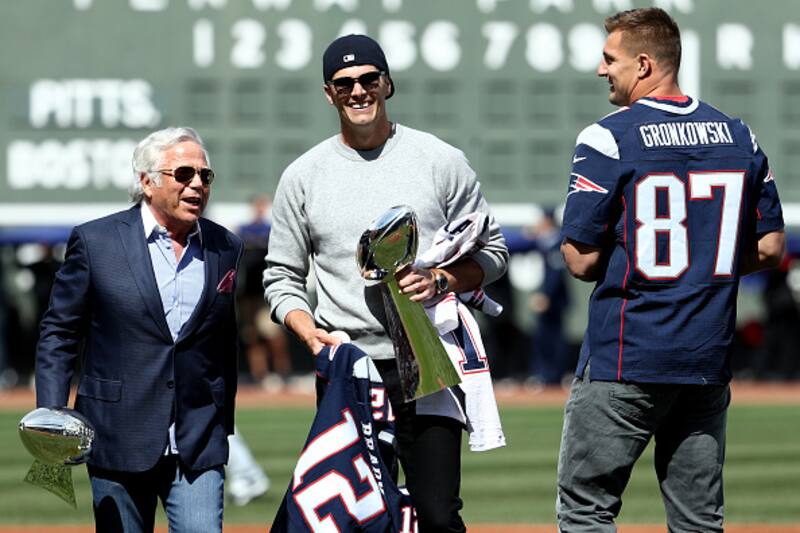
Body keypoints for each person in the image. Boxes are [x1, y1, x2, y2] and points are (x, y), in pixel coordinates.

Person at [264, 34, 508, 532]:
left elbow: (495, 252)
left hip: (429, 359)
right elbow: (281, 275)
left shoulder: (439, 160)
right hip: (348, 364)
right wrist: (311, 336)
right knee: (358, 518)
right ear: (328, 93)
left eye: (369, 79)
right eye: (344, 83)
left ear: (387, 84)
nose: (358, 91)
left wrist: (442, 278)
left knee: (439, 514)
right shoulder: (303, 176)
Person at [556, 8, 786, 532]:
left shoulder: (607, 137)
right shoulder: (739, 136)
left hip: (627, 352)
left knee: (586, 512)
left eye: (609, 58)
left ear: (642, 64)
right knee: (699, 522)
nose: (600, 70)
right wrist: (704, 265)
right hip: (706, 357)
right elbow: (770, 247)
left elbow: (580, 258)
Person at [35, 127, 243, 533]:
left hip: (198, 440)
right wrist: (52, 413)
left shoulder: (226, 246)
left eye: (205, 176)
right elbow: (59, 332)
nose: (198, 184)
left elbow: (223, 338)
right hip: (116, 434)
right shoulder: (96, 242)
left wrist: (222, 420)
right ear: (147, 182)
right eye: (184, 174)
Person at [237, 194, 291, 390]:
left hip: (266, 294)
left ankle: (281, 374)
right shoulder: (245, 229)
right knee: (252, 337)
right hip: (248, 295)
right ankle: (260, 376)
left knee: (273, 335)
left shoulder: (271, 229)